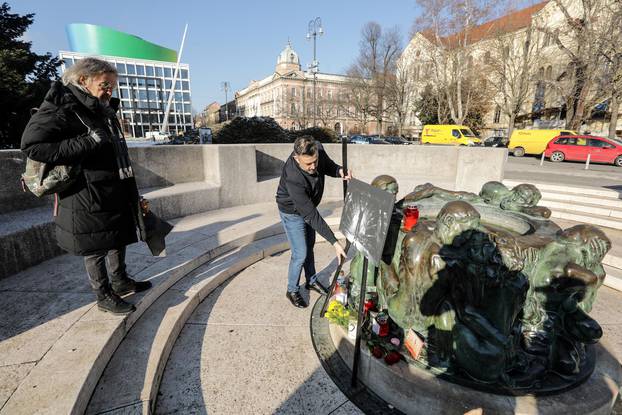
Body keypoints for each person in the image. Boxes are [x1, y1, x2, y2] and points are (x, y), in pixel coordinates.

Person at [21, 57, 151, 315]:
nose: (109, 91)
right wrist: (87, 142)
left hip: (112, 185)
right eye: (105, 84)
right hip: (84, 190)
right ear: (83, 80)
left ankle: (120, 280)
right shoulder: (62, 105)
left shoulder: (99, 107)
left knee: (116, 235)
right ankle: (103, 295)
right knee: (95, 245)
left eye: (113, 86)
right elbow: (32, 145)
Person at [276, 136, 351, 308]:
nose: (313, 167)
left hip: (308, 206)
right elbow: (311, 215)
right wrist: (334, 242)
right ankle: (292, 289)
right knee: (300, 252)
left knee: (310, 244)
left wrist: (339, 171)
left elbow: (328, 166)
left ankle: (311, 279)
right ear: (296, 158)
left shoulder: (317, 149)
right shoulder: (293, 177)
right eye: (308, 164)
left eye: (314, 162)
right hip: (292, 212)